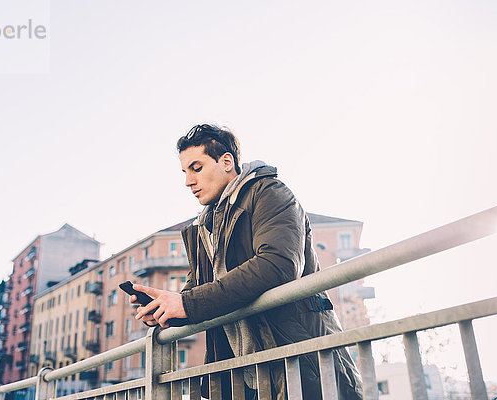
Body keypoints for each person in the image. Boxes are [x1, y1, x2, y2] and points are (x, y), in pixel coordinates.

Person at [132, 124, 363, 399]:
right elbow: (198, 298)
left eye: (196, 168)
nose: (188, 182)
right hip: (243, 377)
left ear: (227, 161)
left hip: (299, 360)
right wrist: (166, 309)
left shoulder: (270, 193)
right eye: (184, 172)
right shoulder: (204, 226)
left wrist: (187, 304)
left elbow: (278, 265)